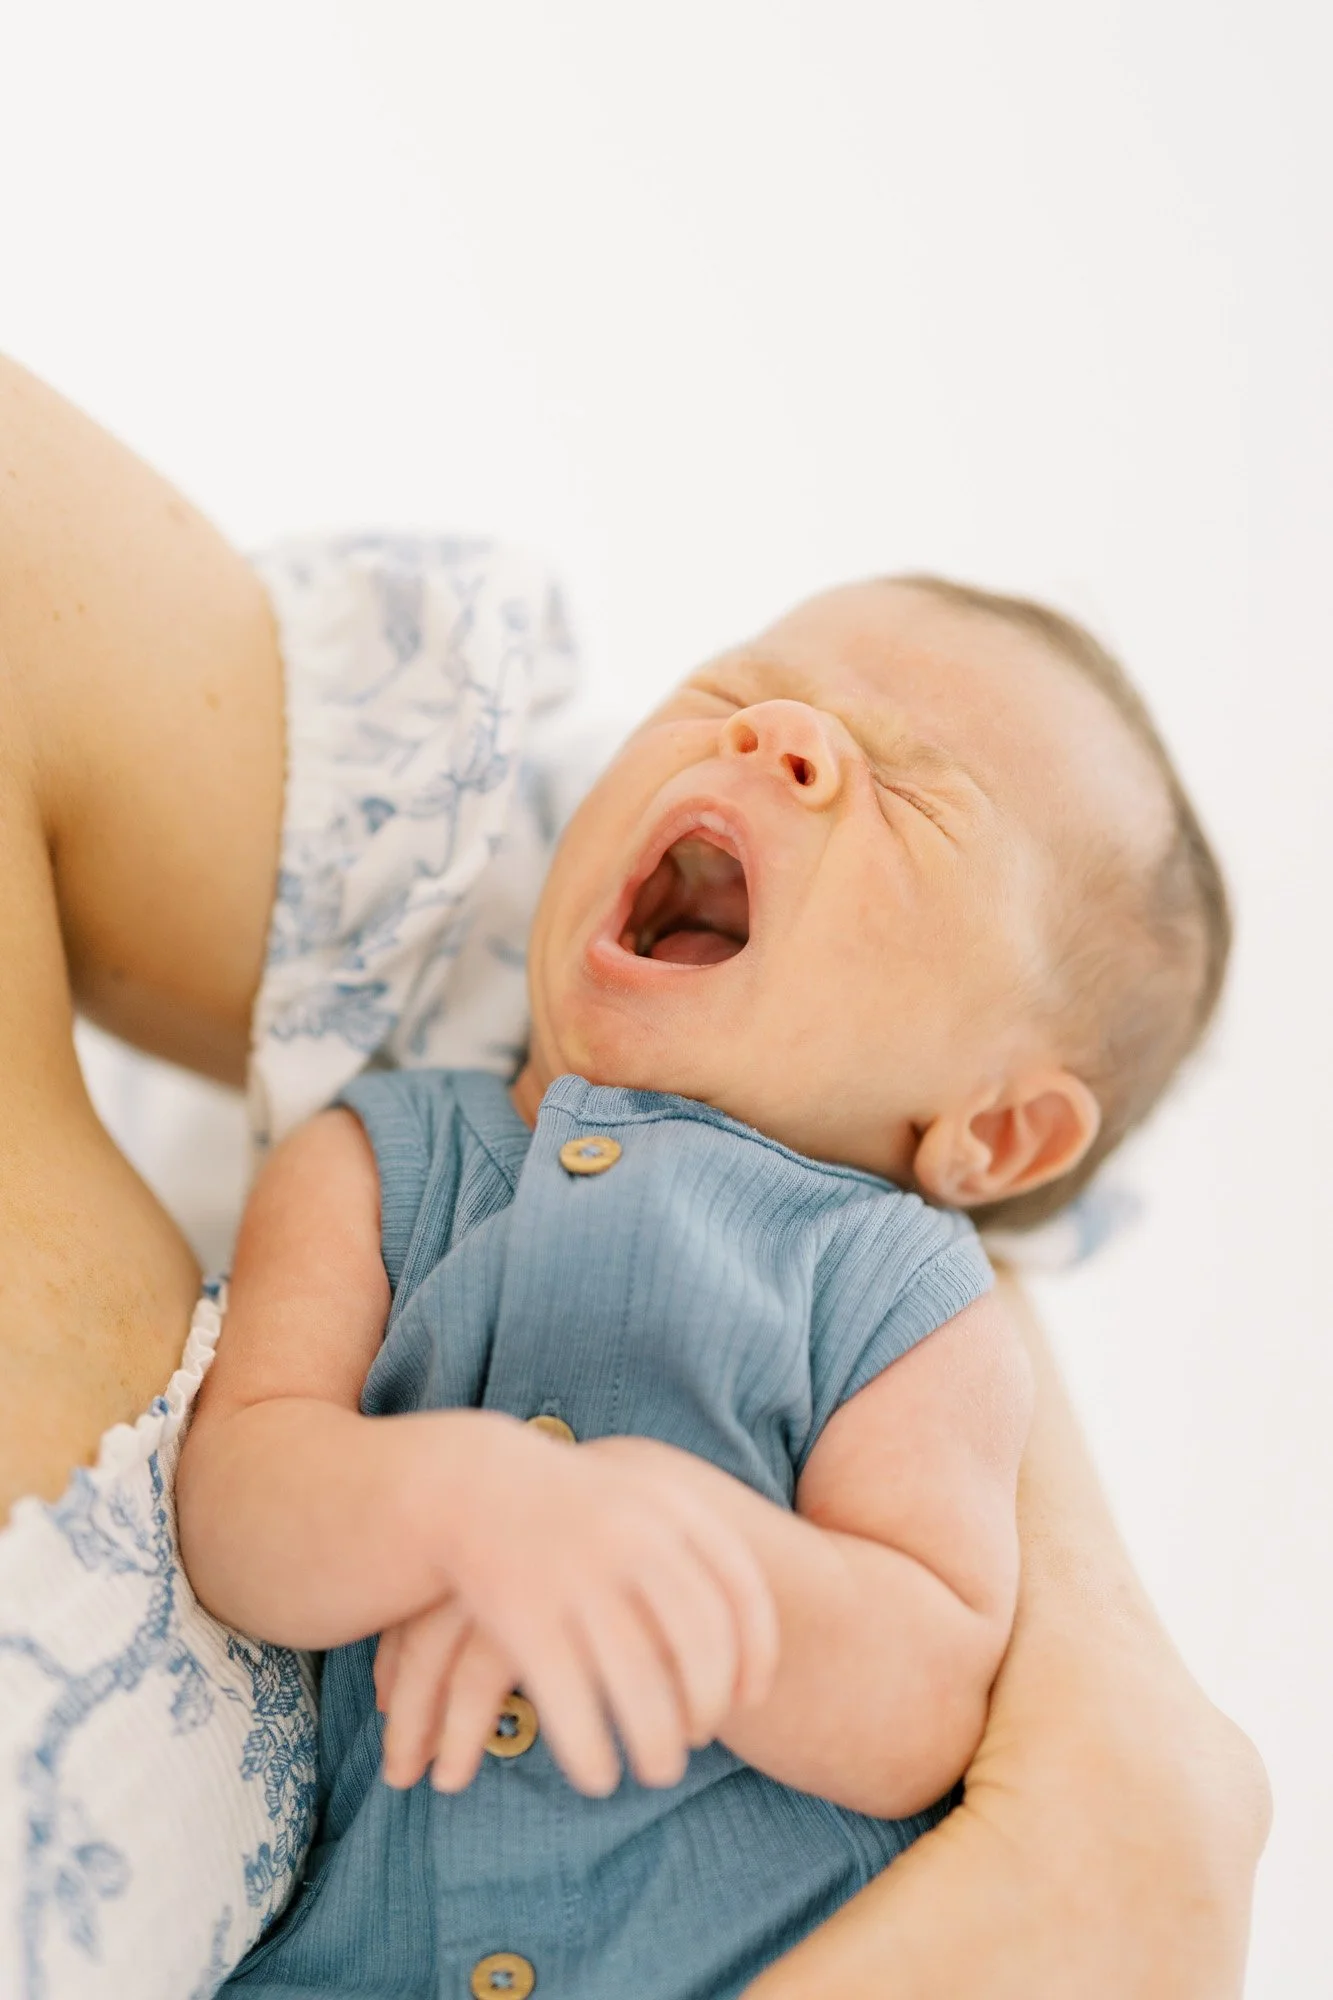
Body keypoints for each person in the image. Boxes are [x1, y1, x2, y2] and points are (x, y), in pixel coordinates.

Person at [0, 353, 1269, 1996]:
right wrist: (457, 1506)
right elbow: (240, 1507)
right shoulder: (386, 1161)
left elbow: (922, 1691)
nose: (778, 735)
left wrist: (704, 1555)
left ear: (998, 1136)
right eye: (739, 686)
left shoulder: (902, 1291)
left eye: (906, 785)